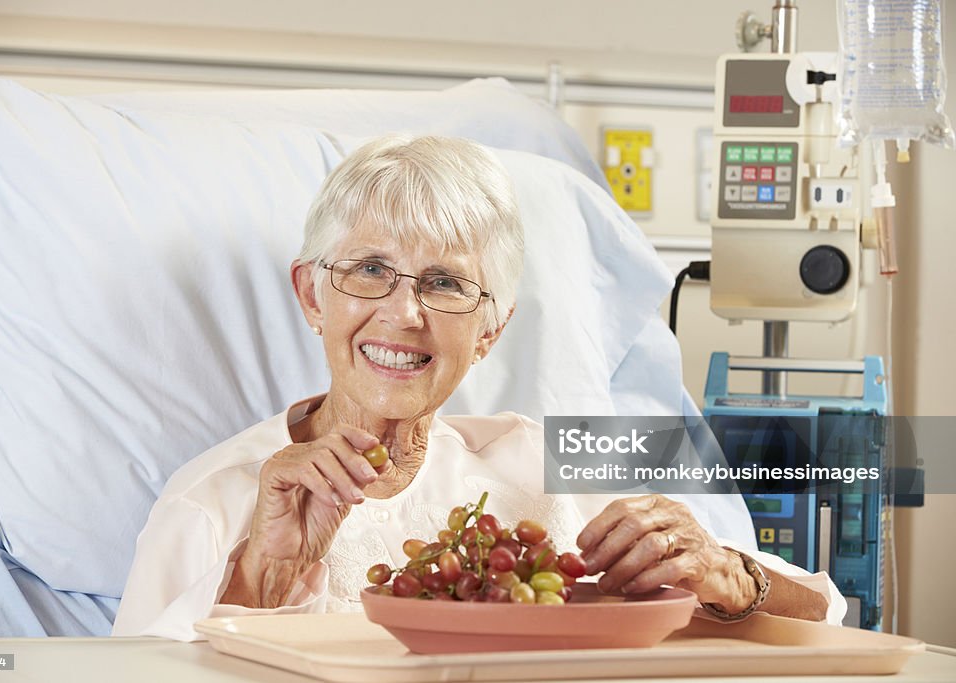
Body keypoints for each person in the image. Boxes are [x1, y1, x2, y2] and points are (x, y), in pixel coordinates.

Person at [112, 135, 843, 641]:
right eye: (369, 269)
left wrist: (729, 571)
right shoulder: (213, 504)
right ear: (312, 296)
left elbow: (824, 617)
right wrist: (264, 577)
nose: (404, 312)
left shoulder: (545, 459)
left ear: (492, 327)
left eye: (445, 283)